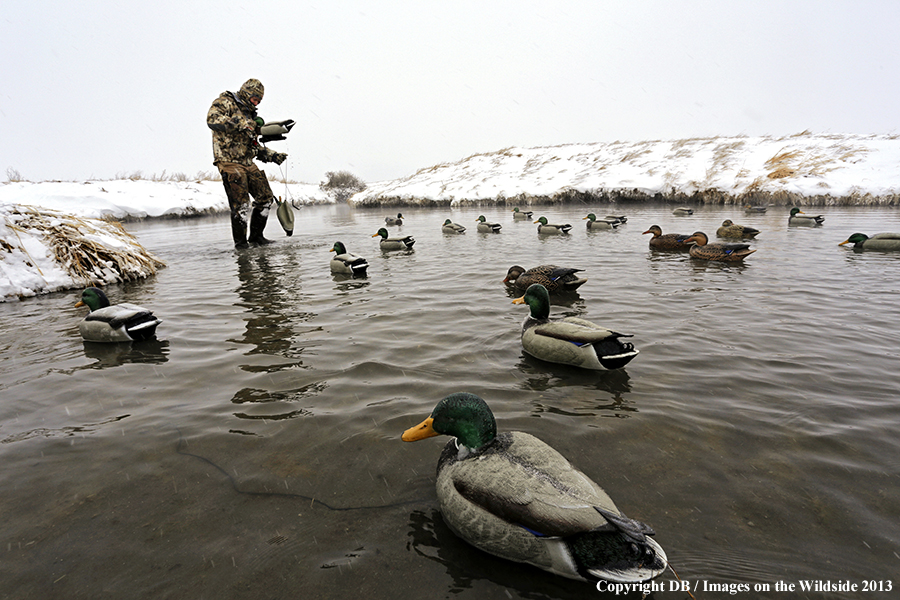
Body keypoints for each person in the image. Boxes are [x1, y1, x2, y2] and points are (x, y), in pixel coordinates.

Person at [207, 78, 287, 248]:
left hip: (247, 161)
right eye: (254, 99)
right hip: (229, 161)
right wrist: (243, 124)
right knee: (241, 205)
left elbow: (253, 145)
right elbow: (212, 120)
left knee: (265, 198)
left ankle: (257, 238)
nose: (256, 102)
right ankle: (241, 245)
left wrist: (272, 155)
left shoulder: (250, 114)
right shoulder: (225, 102)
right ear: (246, 93)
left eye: (259, 100)